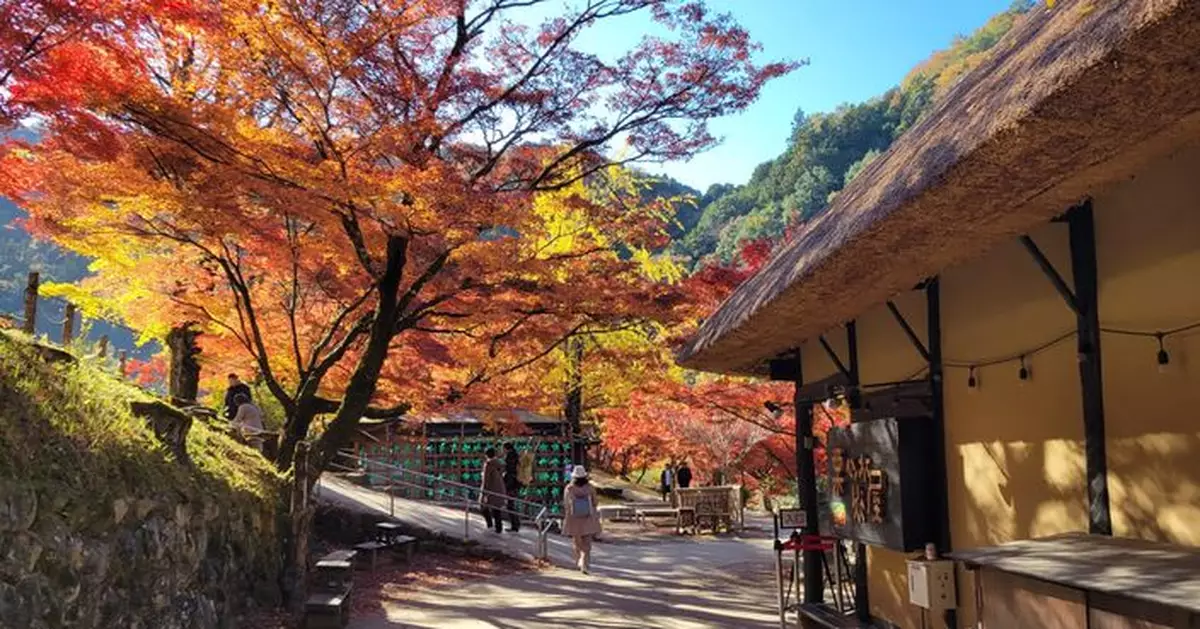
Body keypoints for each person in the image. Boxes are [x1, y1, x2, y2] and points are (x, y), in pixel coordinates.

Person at [562, 465, 601, 574]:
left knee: (577, 542)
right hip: (588, 519)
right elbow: (595, 502)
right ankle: (585, 563)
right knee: (587, 544)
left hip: (574, 519)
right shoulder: (590, 488)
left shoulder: (569, 488)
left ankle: (579, 559)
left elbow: (566, 504)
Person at [479, 447, 506, 534]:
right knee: (496, 509)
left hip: (490, 489)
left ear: (486, 455)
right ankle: (498, 528)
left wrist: (484, 492)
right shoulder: (499, 463)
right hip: (499, 488)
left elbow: (486, 479)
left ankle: (490, 525)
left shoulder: (488, 464)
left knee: (483, 507)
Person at [502, 442, 522, 532]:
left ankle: (515, 525)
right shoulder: (516, 456)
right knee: (512, 504)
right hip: (516, 483)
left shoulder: (510, 457)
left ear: (506, 448)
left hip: (511, 484)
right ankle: (516, 524)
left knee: (510, 505)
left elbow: (509, 470)